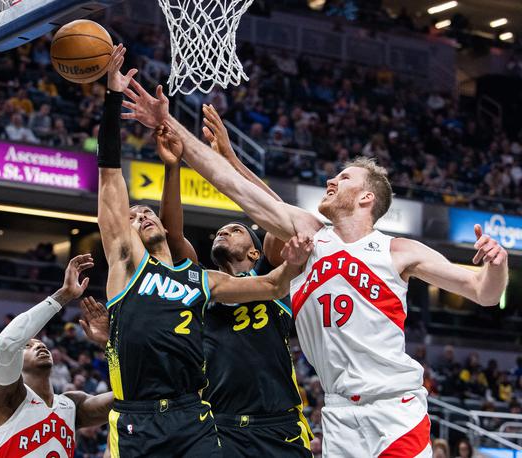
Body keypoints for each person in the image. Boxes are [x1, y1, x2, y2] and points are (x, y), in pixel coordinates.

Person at [121, 79, 509, 457]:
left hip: (395, 408)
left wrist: (497, 264)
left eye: (343, 178)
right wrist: (166, 123)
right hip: (338, 413)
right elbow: (234, 186)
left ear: (366, 197)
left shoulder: (398, 250)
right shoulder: (309, 237)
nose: (330, 180)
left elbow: (483, 292)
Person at [97, 44, 304, 458]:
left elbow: (274, 250)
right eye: (136, 215)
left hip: (233, 420)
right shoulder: (133, 264)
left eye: (237, 229)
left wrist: (292, 268)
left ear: (253, 251)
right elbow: (113, 180)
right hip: (190, 418)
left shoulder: (206, 280)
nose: (143, 217)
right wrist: (112, 98)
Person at [154, 111, 312, 457]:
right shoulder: (202, 282)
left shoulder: (278, 278)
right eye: (221, 230)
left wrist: (231, 159)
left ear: (255, 253)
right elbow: (173, 236)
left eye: (236, 229)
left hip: (279, 423)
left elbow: (278, 214)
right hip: (218, 423)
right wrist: (172, 167)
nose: (224, 230)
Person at [0, 255, 114, 457]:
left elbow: (127, 397)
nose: (39, 346)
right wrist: (64, 295)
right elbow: (8, 343)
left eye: (42, 344)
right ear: (17, 360)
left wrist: (110, 346)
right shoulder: (9, 398)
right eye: (28, 345)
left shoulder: (71, 404)